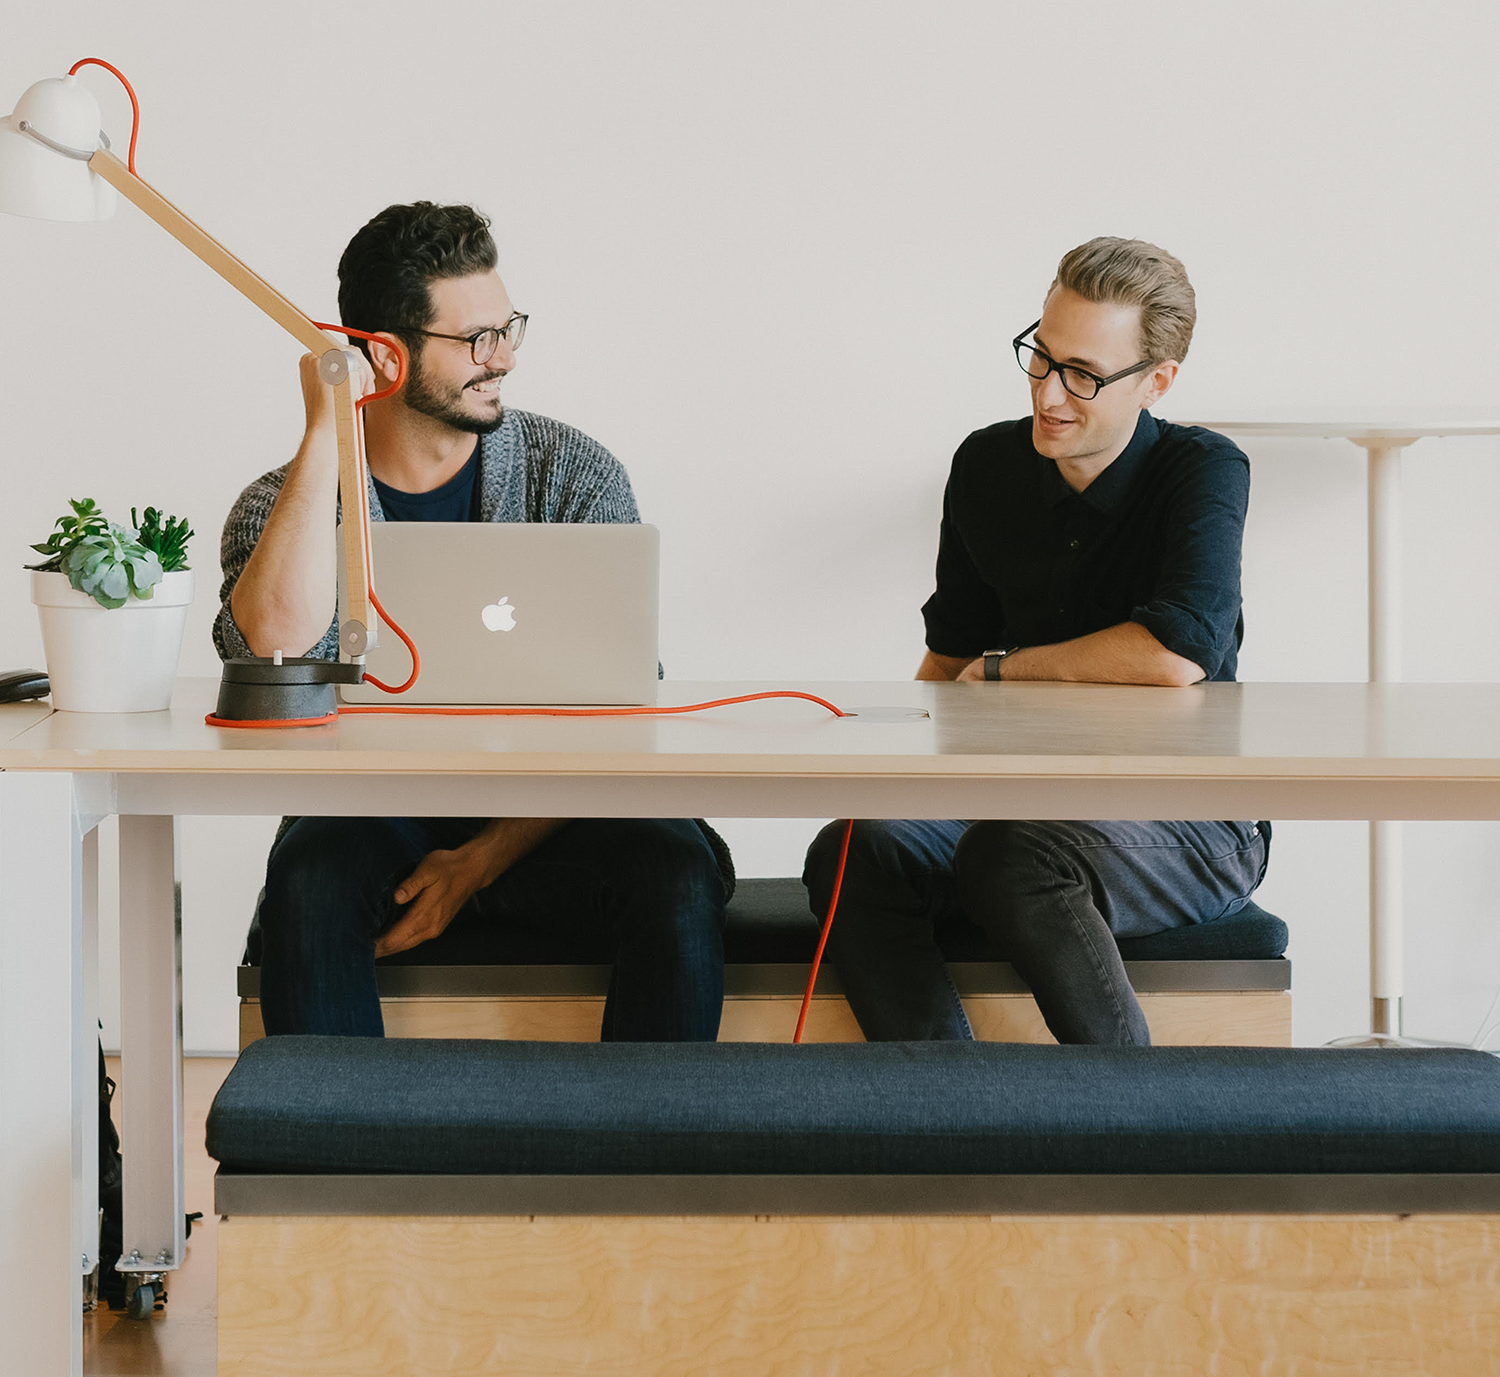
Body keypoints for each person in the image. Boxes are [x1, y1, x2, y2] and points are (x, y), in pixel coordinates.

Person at [216, 200, 729, 1042]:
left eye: (509, 327)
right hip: (367, 816)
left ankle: (644, 1166)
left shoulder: (573, 474)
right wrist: (325, 429)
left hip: (556, 810)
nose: (508, 358)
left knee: (676, 864)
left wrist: (480, 859)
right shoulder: (283, 506)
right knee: (309, 878)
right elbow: (266, 648)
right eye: (478, 340)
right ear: (385, 354)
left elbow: (623, 706)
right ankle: (341, 1169)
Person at [804, 236, 1265, 1047]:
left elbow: (1174, 655)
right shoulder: (986, 465)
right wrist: (893, 776)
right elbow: (950, 659)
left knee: (1013, 861)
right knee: (852, 849)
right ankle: (949, 1112)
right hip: (1018, 800)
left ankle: (1131, 1135)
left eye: (1084, 373)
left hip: (1189, 819)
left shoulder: (1204, 469)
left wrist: (1007, 670)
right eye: (1040, 357)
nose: (1049, 393)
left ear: (1158, 381)